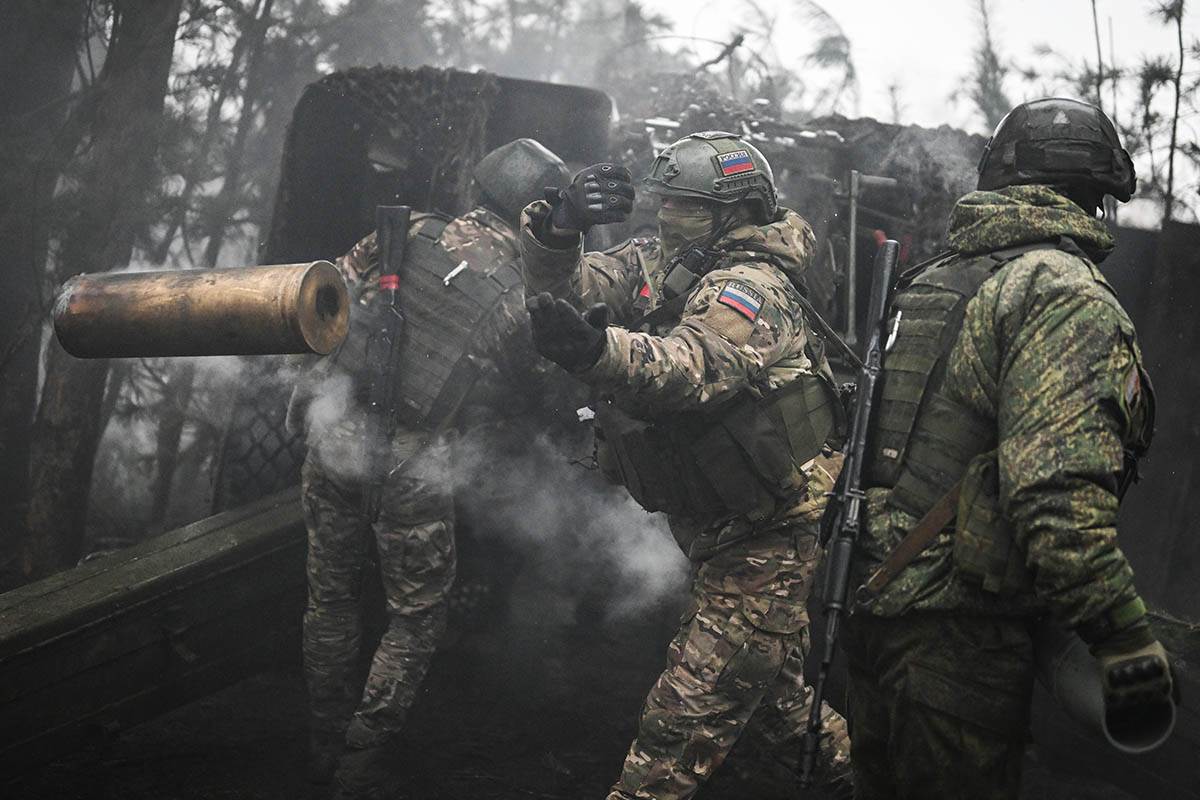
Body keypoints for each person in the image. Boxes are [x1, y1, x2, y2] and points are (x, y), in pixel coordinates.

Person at [842, 97, 1175, 799]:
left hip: (874, 617)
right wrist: (1122, 638)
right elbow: (1054, 497)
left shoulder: (934, 280)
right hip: (960, 641)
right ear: (1097, 196)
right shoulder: (1062, 292)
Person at [519, 131, 852, 799]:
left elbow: (694, 368)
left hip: (768, 537)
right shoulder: (664, 260)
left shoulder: (754, 288)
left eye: (687, 204)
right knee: (783, 717)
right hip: (716, 527)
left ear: (733, 213)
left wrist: (597, 352)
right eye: (666, 199)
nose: (667, 212)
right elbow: (569, 283)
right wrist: (560, 226)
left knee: (673, 736)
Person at [287, 138, 570, 799]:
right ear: (537, 211)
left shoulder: (408, 229)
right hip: (415, 461)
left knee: (328, 599)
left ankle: (323, 743)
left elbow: (331, 292)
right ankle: (361, 764)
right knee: (413, 619)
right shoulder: (515, 293)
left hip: (338, 433)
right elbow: (536, 386)